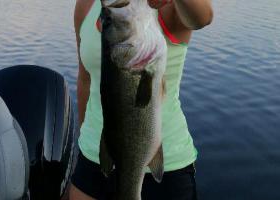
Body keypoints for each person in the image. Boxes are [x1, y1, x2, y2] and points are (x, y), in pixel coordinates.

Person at [69, 0, 213, 199]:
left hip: (167, 169)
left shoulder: (165, 5)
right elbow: (85, 79)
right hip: (95, 158)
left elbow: (202, 18)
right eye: (108, 17)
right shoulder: (86, 4)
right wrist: (84, 141)